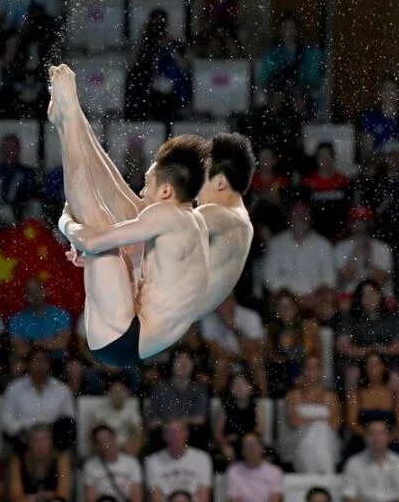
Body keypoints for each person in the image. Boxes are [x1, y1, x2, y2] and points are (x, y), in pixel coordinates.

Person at [51, 64, 255, 365]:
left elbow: (141, 217)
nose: (197, 188)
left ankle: (70, 120)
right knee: (128, 218)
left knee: (125, 215)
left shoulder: (227, 218)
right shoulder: (227, 222)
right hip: (150, 318)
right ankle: (71, 119)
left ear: (221, 181)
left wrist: (73, 227)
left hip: (138, 329)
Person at [285, 355, 341, 474]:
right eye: (308, 367)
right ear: (302, 370)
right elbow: (294, 422)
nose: (312, 371)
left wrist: (308, 420)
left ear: (321, 371)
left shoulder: (331, 397)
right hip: (300, 439)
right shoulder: (293, 396)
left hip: (326, 440)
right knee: (317, 430)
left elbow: (335, 424)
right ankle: (324, 471)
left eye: (316, 367)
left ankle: (316, 471)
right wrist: (320, 420)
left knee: (321, 431)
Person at [341, 420, 399, 502]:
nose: (376, 438)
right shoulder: (353, 463)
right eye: (372, 433)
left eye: (381, 433)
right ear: (364, 437)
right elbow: (349, 496)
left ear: (388, 437)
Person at [144, 418, 212, 502]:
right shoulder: (152, 461)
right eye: (170, 433)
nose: (175, 436)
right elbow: (155, 498)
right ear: (164, 436)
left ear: (186, 434)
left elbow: (204, 497)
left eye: (178, 431)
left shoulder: (202, 458)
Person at [8, 423, 72, 502]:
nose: (40, 445)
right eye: (35, 440)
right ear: (29, 443)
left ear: (51, 442)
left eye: (44, 440)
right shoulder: (17, 460)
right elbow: (15, 497)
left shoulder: (61, 458)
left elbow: (63, 495)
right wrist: (37, 497)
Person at [83, 424, 143, 502]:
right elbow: (90, 497)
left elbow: (137, 495)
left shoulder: (132, 463)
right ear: (97, 446)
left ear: (114, 438)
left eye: (108, 438)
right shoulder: (90, 466)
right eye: (102, 441)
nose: (106, 443)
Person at [226, 432, 284, 502]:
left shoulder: (275, 471)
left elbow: (275, 499)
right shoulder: (234, 471)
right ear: (242, 451)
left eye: (255, 444)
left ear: (262, 448)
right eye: (247, 445)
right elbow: (235, 499)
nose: (252, 448)